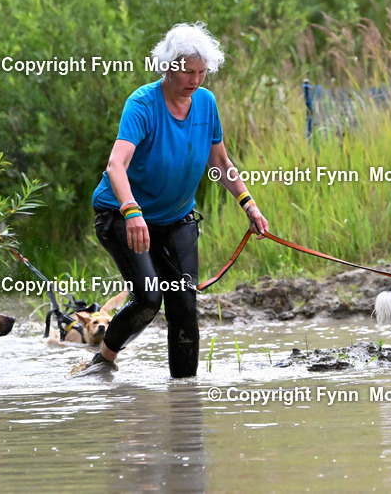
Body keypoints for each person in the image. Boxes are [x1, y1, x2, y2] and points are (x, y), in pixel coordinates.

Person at [74, 23, 269, 378]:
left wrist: (248, 204)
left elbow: (220, 162)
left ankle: (185, 392)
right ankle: (103, 361)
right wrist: (132, 211)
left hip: (177, 219)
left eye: (201, 72)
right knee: (149, 298)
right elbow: (116, 165)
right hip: (121, 214)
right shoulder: (142, 104)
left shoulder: (206, 104)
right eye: (187, 72)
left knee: (183, 305)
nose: (195, 80)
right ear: (167, 67)